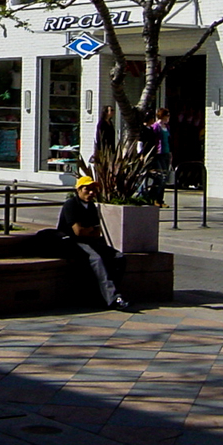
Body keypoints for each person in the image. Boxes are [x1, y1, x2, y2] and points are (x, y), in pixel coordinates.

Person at [58, 175, 128, 310]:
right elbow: (78, 232)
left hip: (91, 242)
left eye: (93, 190)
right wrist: (90, 230)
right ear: (78, 190)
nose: (91, 193)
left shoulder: (91, 207)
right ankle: (113, 299)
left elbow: (97, 232)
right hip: (73, 243)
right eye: (87, 189)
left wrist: (88, 230)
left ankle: (104, 295)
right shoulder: (71, 204)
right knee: (96, 259)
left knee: (119, 257)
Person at [143, 107, 172, 206]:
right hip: (159, 153)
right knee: (160, 176)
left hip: (166, 153)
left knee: (165, 177)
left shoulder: (166, 126)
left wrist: (170, 152)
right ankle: (154, 197)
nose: (168, 117)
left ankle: (160, 199)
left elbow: (168, 140)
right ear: (162, 116)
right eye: (167, 115)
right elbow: (153, 139)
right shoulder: (156, 126)